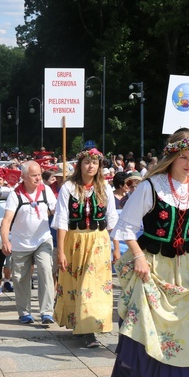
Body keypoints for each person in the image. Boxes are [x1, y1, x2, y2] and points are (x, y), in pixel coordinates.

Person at [110, 130, 189, 377]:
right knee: (152, 327)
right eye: (183, 157)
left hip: (188, 266)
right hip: (154, 265)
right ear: (171, 156)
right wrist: (139, 257)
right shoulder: (151, 187)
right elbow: (126, 227)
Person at [51, 148, 118, 348]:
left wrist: (116, 247)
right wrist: (61, 251)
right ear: (79, 165)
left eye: (95, 163)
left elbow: (112, 219)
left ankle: (90, 329)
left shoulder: (105, 188)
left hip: (98, 239)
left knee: (94, 285)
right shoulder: (69, 188)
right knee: (77, 284)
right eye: (87, 162)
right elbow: (62, 220)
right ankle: (78, 324)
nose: (91, 166)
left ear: (99, 166)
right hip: (75, 239)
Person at [0, 161, 57, 323]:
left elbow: (56, 212)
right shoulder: (15, 194)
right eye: (34, 175)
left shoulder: (46, 191)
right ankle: (24, 312)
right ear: (24, 176)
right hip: (21, 243)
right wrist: (5, 241)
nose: (38, 178)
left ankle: (47, 312)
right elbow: (6, 221)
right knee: (20, 278)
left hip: (43, 240)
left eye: (39, 174)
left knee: (46, 270)